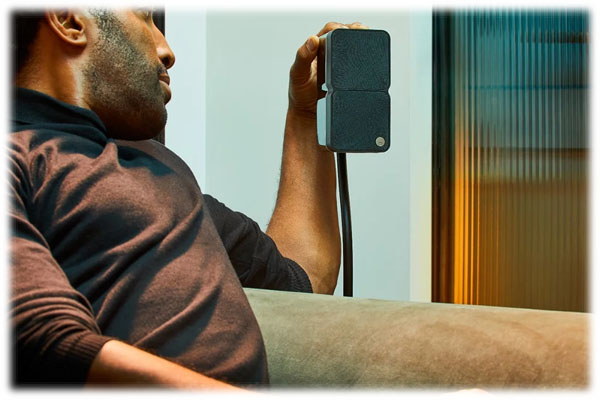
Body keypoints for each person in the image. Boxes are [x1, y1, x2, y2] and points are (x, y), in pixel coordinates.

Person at [9, 8, 367, 389]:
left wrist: (306, 112)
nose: (167, 51)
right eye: (145, 17)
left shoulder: (158, 170)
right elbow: (42, 341)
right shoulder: (20, 156)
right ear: (69, 20)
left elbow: (304, 280)